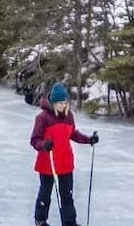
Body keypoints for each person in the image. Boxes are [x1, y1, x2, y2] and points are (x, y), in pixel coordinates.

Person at [29, 83, 99, 226]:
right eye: (60, 103)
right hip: (48, 162)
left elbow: (73, 134)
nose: (63, 105)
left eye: (65, 102)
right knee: (45, 193)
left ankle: (69, 222)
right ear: (53, 103)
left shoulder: (69, 116)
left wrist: (89, 140)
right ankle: (40, 220)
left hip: (65, 162)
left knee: (67, 195)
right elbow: (34, 140)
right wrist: (44, 145)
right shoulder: (42, 118)